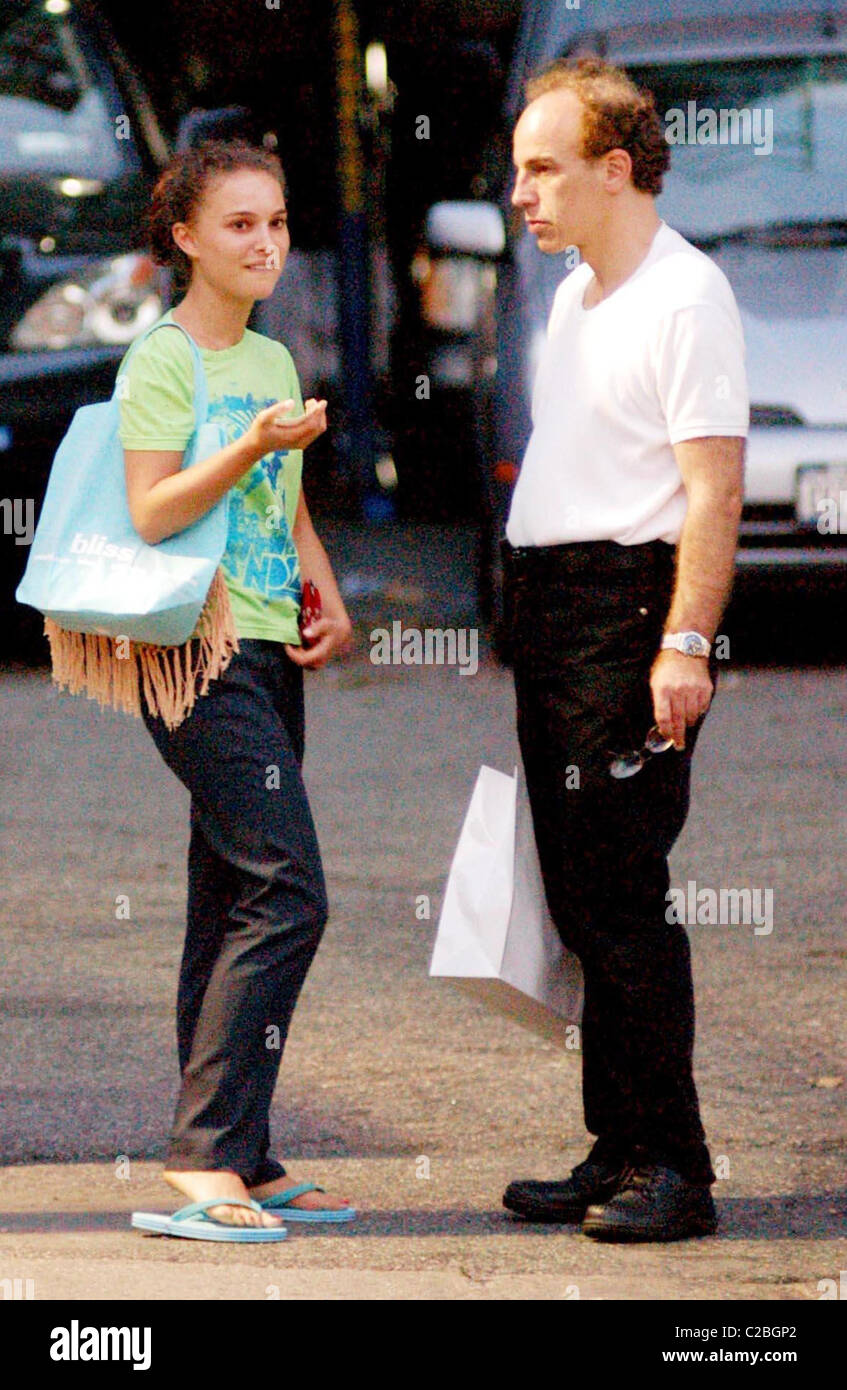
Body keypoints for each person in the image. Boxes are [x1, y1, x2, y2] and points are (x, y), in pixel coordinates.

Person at [500, 59, 748, 1242]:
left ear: (615, 169)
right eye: (515, 172)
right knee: (579, 899)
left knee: (625, 898)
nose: (522, 195)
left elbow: (711, 491)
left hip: (626, 612)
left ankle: (678, 1167)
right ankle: (619, 1142)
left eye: (541, 169)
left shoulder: (685, 295)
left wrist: (683, 643)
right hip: (553, 610)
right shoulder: (571, 298)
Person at [120, 140, 355, 1239]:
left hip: (265, 645)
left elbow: (287, 504)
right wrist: (246, 446)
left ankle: (240, 1154)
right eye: (240, 226)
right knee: (288, 885)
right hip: (191, 650)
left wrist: (326, 588)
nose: (266, 244)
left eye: (278, 222)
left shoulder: (267, 358)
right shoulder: (165, 361)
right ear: (185, 238)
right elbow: (155, 509)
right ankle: (205, 1157)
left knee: (228, 896)